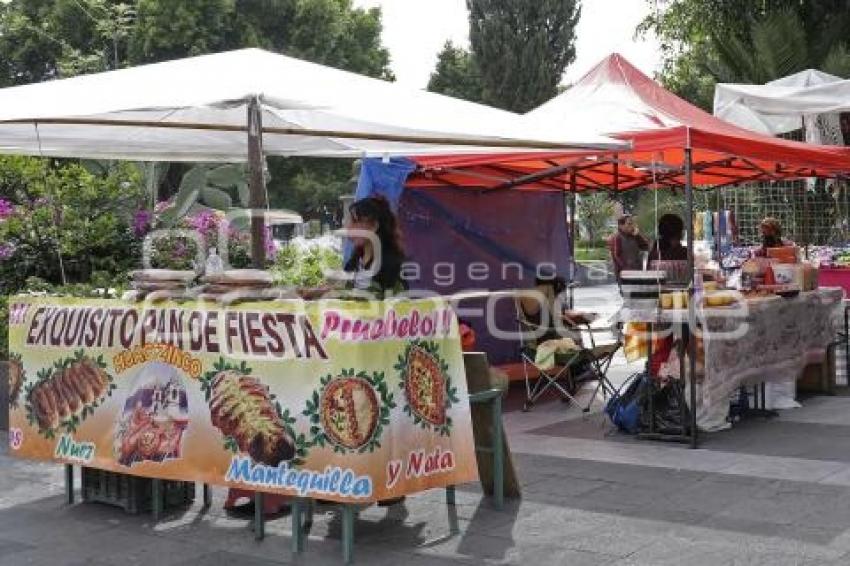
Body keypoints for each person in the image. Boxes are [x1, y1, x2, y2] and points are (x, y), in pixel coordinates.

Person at [343, 196, 407, 296]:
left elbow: (398, 304)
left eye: (355, 221)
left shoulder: (392, 265)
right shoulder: (353, 262)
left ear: (374, 226)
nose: (349, 227)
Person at [608, 214, 650, 282]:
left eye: (632, 224)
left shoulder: (634, 236)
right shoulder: (617, 238)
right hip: (624, 274)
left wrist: (638, 236)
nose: (632, 226)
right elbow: (617, 255)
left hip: (636, 271)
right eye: (629, 224)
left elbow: (645, 247)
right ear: (621, 226)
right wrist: (626, 268)